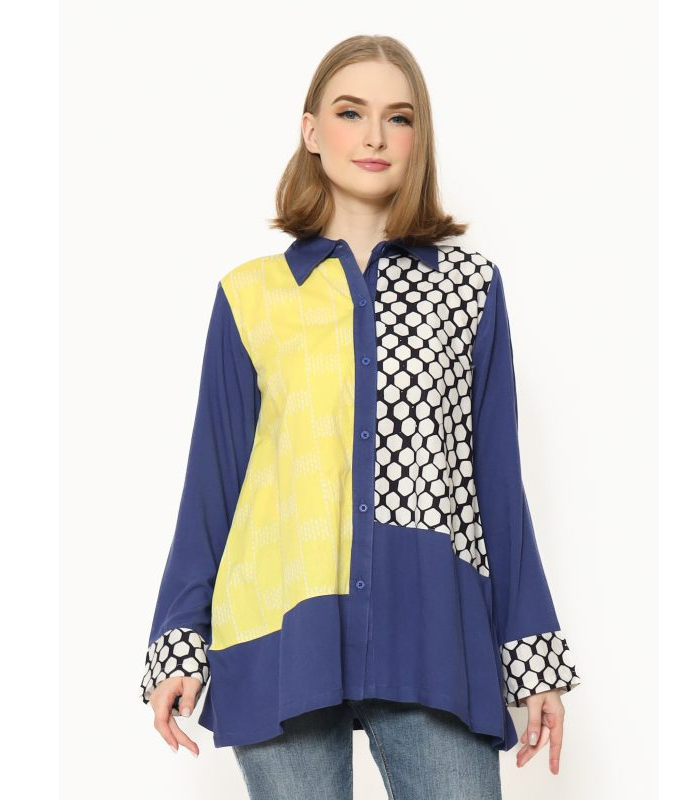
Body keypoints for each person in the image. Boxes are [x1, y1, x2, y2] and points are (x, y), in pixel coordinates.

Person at [139, 34, 581, 799]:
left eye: (398, 117)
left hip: (431, 626)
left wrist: (531, 653)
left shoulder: (469, 289)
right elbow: (215, 481)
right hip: (280, 628)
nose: (375, 135)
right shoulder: (252, 295)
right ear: (312, 130)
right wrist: (178, 639)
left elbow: (497, 485)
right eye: (351, 113)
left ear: (418, 137)